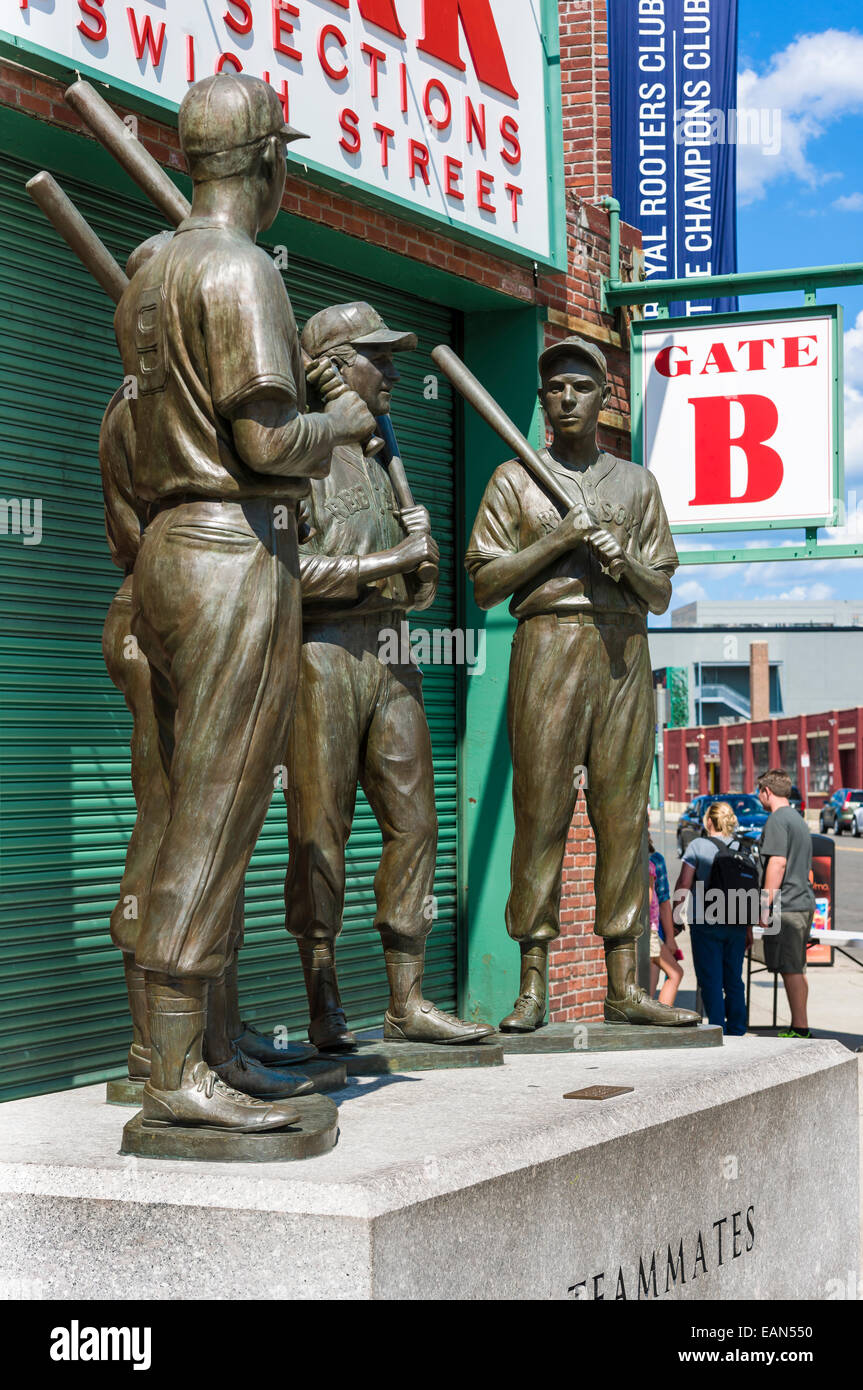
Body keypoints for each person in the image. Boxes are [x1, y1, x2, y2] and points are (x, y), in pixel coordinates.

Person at [113, 74, 376, 1132]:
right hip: (231, 545)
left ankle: (201, 1045)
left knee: (181, 803)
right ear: (267, 160)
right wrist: (342, 425)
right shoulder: (238, 270)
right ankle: (176, 1071)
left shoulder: (150, 274)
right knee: (215, 811)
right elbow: (267, 442)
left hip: (173, 550)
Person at [465, 335, 699, 1030]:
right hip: (548, 644)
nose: (564, 398)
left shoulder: (635, 485)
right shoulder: (514, 479)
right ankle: (532, 983)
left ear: (603, 398)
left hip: (624, 648)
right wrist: (558, 539)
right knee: (538, 815)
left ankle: (622, 985)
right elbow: (483, 584)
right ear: (541, 402)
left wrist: (620, 557)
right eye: (553, 389)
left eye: (579, 386)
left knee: (621, 819)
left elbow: (659, 593)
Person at [284, 302, 494, 1048]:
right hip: (320, 654)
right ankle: (322, 1000)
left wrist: (419, 571)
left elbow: (413, 586)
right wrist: (388, 564)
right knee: (319, 830)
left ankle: (406, 999)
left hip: (391, 650)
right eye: (380, 359)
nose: (396, 373)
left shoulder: (379, 454)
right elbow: (286, 577)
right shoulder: (293, 452)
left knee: (415, 824)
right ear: (337, 368)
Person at [674, 802, 750, 1036]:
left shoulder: (698, 845)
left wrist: (676, 915)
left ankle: (717, 1028)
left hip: (705, 923)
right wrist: (747, 928)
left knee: (711, 980)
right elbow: (749, 891)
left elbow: (684, 883)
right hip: (736, 924)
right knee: (734, 980)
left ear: (709, 822)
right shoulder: (742, 848)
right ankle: (738, 1029)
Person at [757, 769, 816, 1039]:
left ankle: (800, 1028)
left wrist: (764, 905)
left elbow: (777, 863)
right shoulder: (798, 819)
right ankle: (799, 1024)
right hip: (802, 903)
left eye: (760, 792)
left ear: (767, 791)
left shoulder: (778, 820)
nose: (759, 797)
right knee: (796, 966)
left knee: (790, 967)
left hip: (788, 906)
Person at [648, 833, 683, 1006]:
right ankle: (659, 1027)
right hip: (650, 932)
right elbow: (662, 901)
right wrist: (669, 938)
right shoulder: (652, 862)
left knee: (646, 989)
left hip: (637, 932)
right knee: (649, 991)